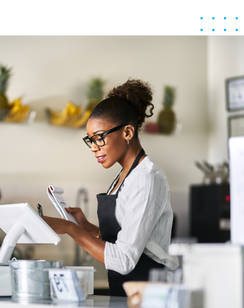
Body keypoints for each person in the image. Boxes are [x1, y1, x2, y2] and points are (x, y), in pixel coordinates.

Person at [42, 78, 179, 296]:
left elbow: (124, 259)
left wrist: (70, 229)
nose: (94, 148)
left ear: (127, 133)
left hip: (148, 294)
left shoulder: (147, 178)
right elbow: (125, 241)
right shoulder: (123, 176)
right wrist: (87, 227)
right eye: (90, 140)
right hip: (126, 293)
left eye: (99, 138)